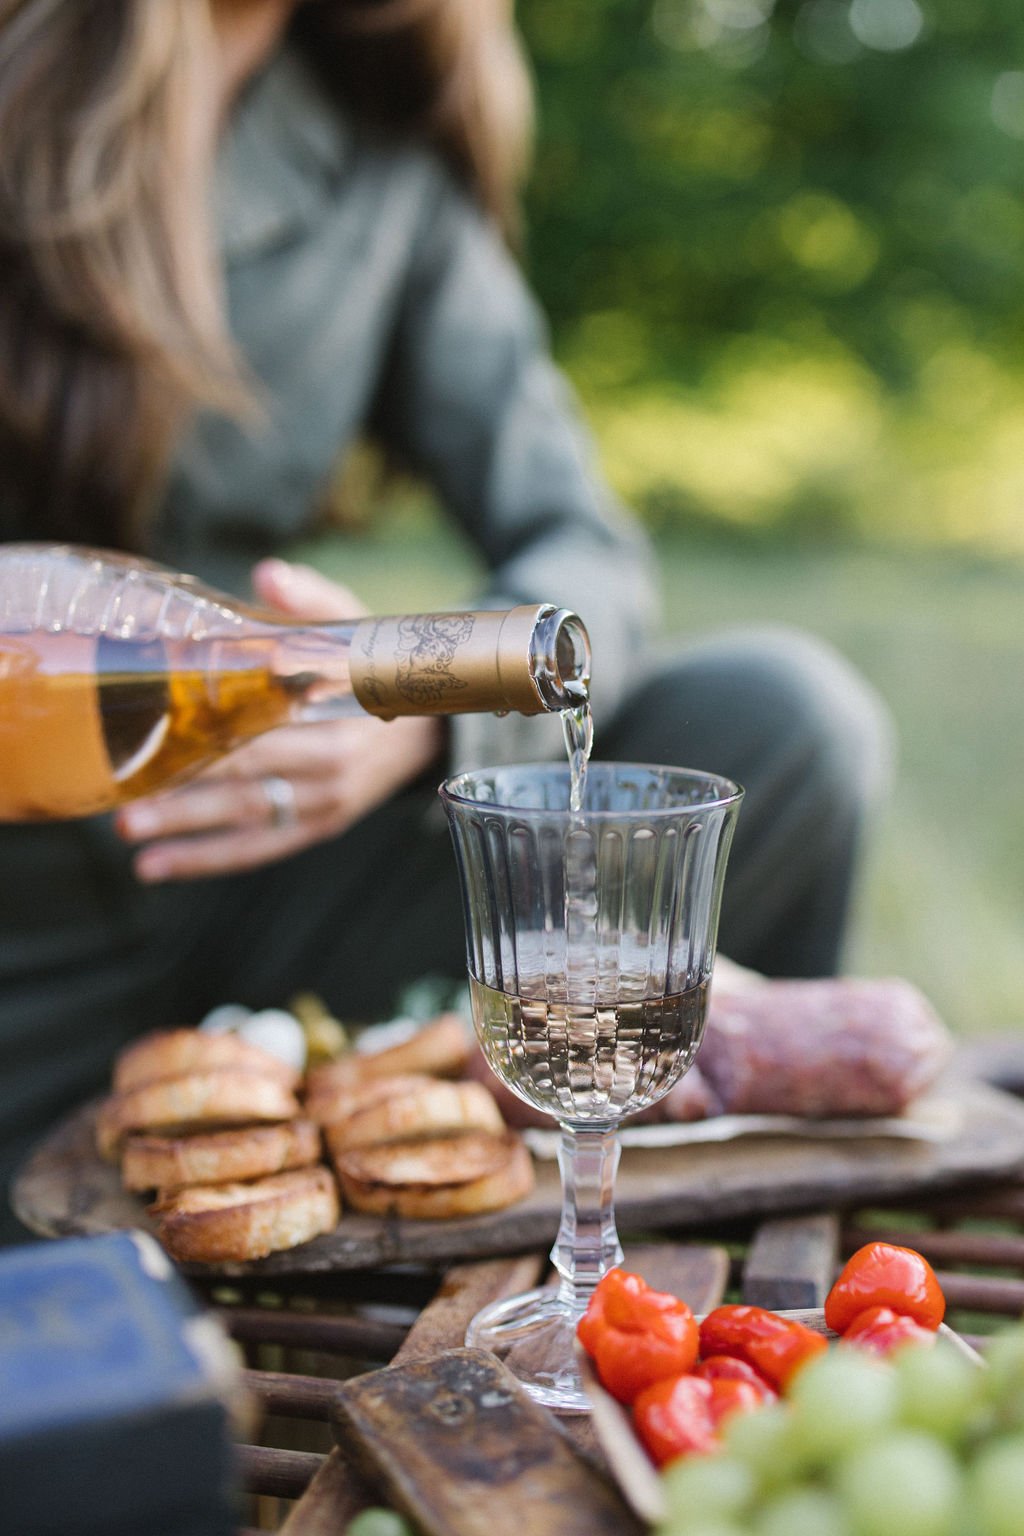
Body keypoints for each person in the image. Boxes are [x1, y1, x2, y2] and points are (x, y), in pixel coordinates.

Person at [0, 0, 891, 1241]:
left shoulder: (387, 173)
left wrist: (418, 712)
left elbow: (587, 550)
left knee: (784, 721)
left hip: (298, 889)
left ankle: (697, 1245)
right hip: (24, 921)